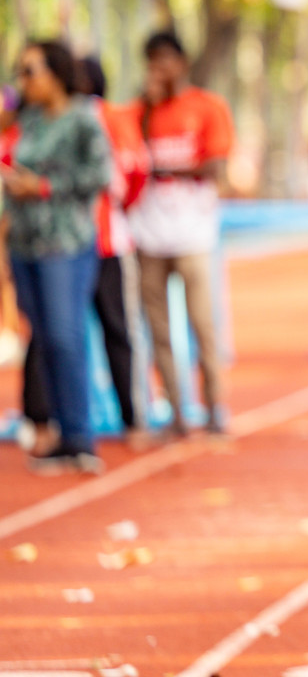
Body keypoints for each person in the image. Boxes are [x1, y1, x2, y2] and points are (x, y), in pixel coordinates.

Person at [3, 41, 112, 474]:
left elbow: (100, 176)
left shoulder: (84, 119)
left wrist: (44, 187)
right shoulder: (28, 119)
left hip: (65, 244)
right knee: (45, 339)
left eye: (30, 70)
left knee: (66, 337)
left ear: (56, 73)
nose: (23, 80)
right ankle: (62, 436)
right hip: (24, 243)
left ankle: (80, 438)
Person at [127, 32, 234, 437]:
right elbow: (131, 157)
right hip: (148, 235)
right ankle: (176, 413)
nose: (159, 68)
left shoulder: (208, 107)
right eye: (152, 61)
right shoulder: (140, 111)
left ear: (182, 63)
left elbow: (215, 166)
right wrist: (147, 109)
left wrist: (166, 171)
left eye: (165, 60)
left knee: (202, 324)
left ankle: (214, 407)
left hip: (193, 234)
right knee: (158, 330)